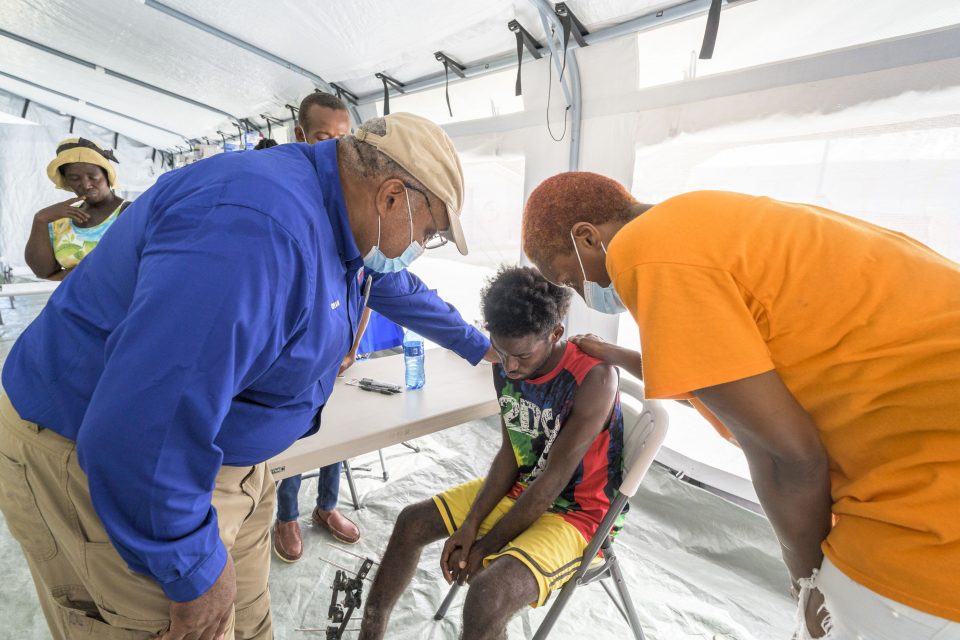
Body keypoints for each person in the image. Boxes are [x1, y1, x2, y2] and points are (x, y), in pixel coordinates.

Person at [0, 112, 495, 640]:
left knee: (246, 619)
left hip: (226, 458)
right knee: (160, 622)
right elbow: (143, 427)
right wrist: (189, 569)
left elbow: (395, 288)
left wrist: (484, 347)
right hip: (115, 472)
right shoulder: (256, 230)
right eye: (431, 233)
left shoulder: (338, 211)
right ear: (392, 197)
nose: (421, 247)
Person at [521, 172, 960, 640]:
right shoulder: (701, 217)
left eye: (572, 278)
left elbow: (785, 456)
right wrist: (616, 355)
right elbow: (726, 377)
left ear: (587, 236)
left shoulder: (644, 256)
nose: (588, 294)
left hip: (930, 519)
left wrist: (808, 580)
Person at [359, 266, 624, 640]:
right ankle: (369, 633)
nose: (510, 366)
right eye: (500, 350)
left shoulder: (594, 378)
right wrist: (470, 526)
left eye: (523, 355)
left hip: (578, 513)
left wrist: (487, 545)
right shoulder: (505, 365)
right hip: (524, 489)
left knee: (487, 594)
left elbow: (550, 485)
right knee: (410, 523)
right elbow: (510, 455)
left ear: (555, 333)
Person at [273, 92, 365, 562]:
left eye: (344, 140)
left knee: (337, 433)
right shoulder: (291, 198)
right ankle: (286, 515)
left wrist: (352, 344)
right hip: (299, 356)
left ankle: (325, 507)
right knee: (296, 432)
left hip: (337, 353)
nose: (336, 149)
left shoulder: (351, 199)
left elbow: (373, 282)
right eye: (325, 139)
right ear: (301, 137)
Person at [25, 137, 129, 280]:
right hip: (70, 302)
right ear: (67, 181)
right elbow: (43, 272)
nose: (86, 185)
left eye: (93, 177)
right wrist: (40, 219)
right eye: (75, 178)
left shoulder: (130, 211)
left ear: (106, 175)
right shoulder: (61, 219)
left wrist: (71, 275)